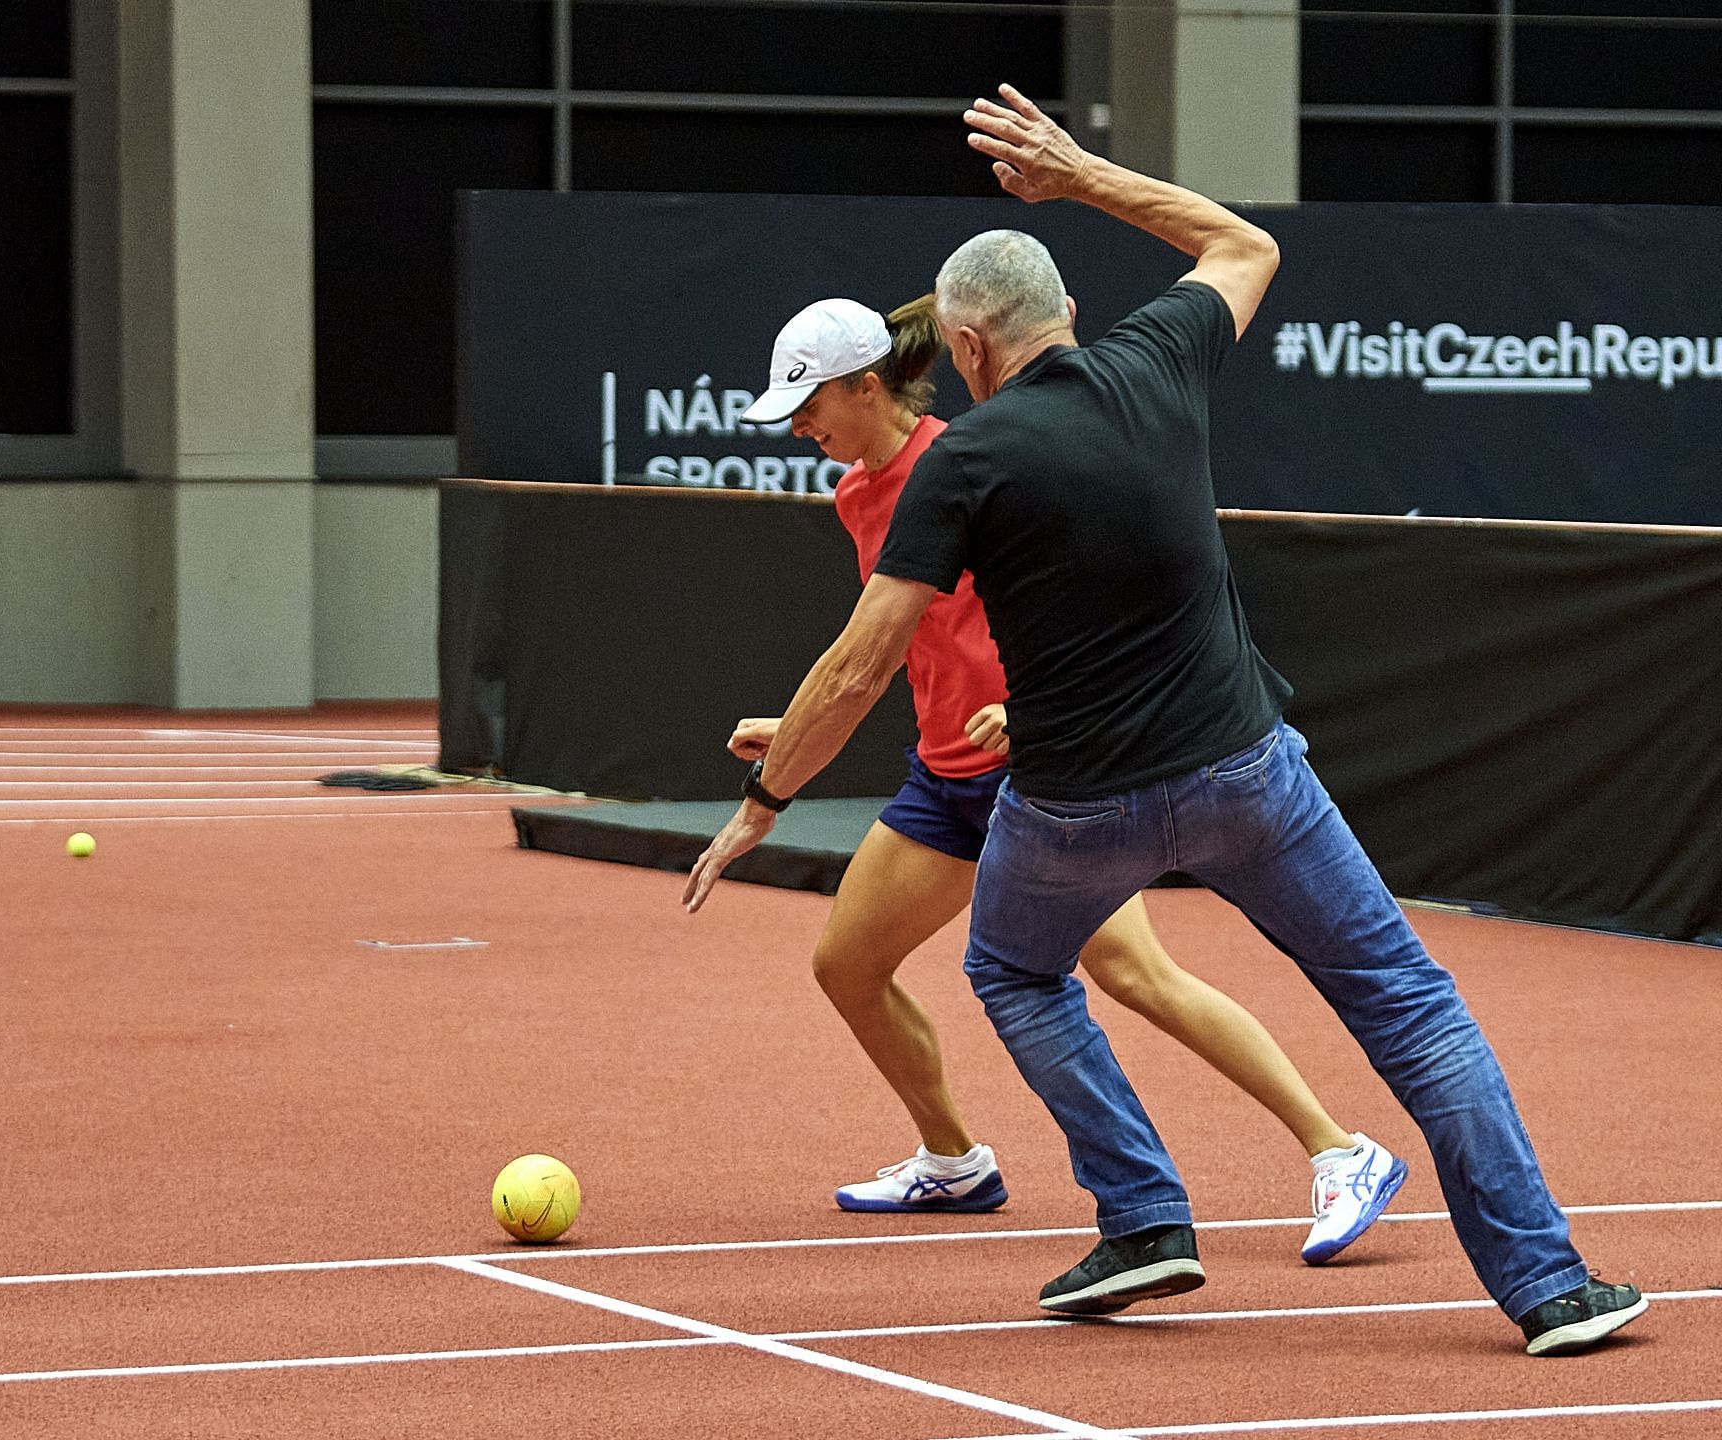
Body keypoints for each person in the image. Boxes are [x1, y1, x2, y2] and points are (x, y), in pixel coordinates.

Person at [684, 85, 1646, 1358]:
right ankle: (1551, 1292)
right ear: (1069, 316)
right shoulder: (1161, 356)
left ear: (964, 352)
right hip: (1245, 778)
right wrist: (1080, 173)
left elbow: (860, 665)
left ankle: (1145, 1218)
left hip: (1075, 805)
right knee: (1410, 1005)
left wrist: (765, 805)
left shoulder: (960, 464)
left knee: (1015, 971)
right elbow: (1245, 244)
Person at [726, 292, 1405, 1265]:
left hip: (1036, 773)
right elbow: (903, 643)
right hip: (945, 778)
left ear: (865, 387)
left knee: (1133, 971)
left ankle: (1341, 1150)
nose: (797, 427)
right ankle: (953, 1160)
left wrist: (1031, 710)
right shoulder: (853, 495)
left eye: (808, 406)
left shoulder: (963, 465)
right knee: (847, 964)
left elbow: (1044, 598)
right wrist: (795, 730)